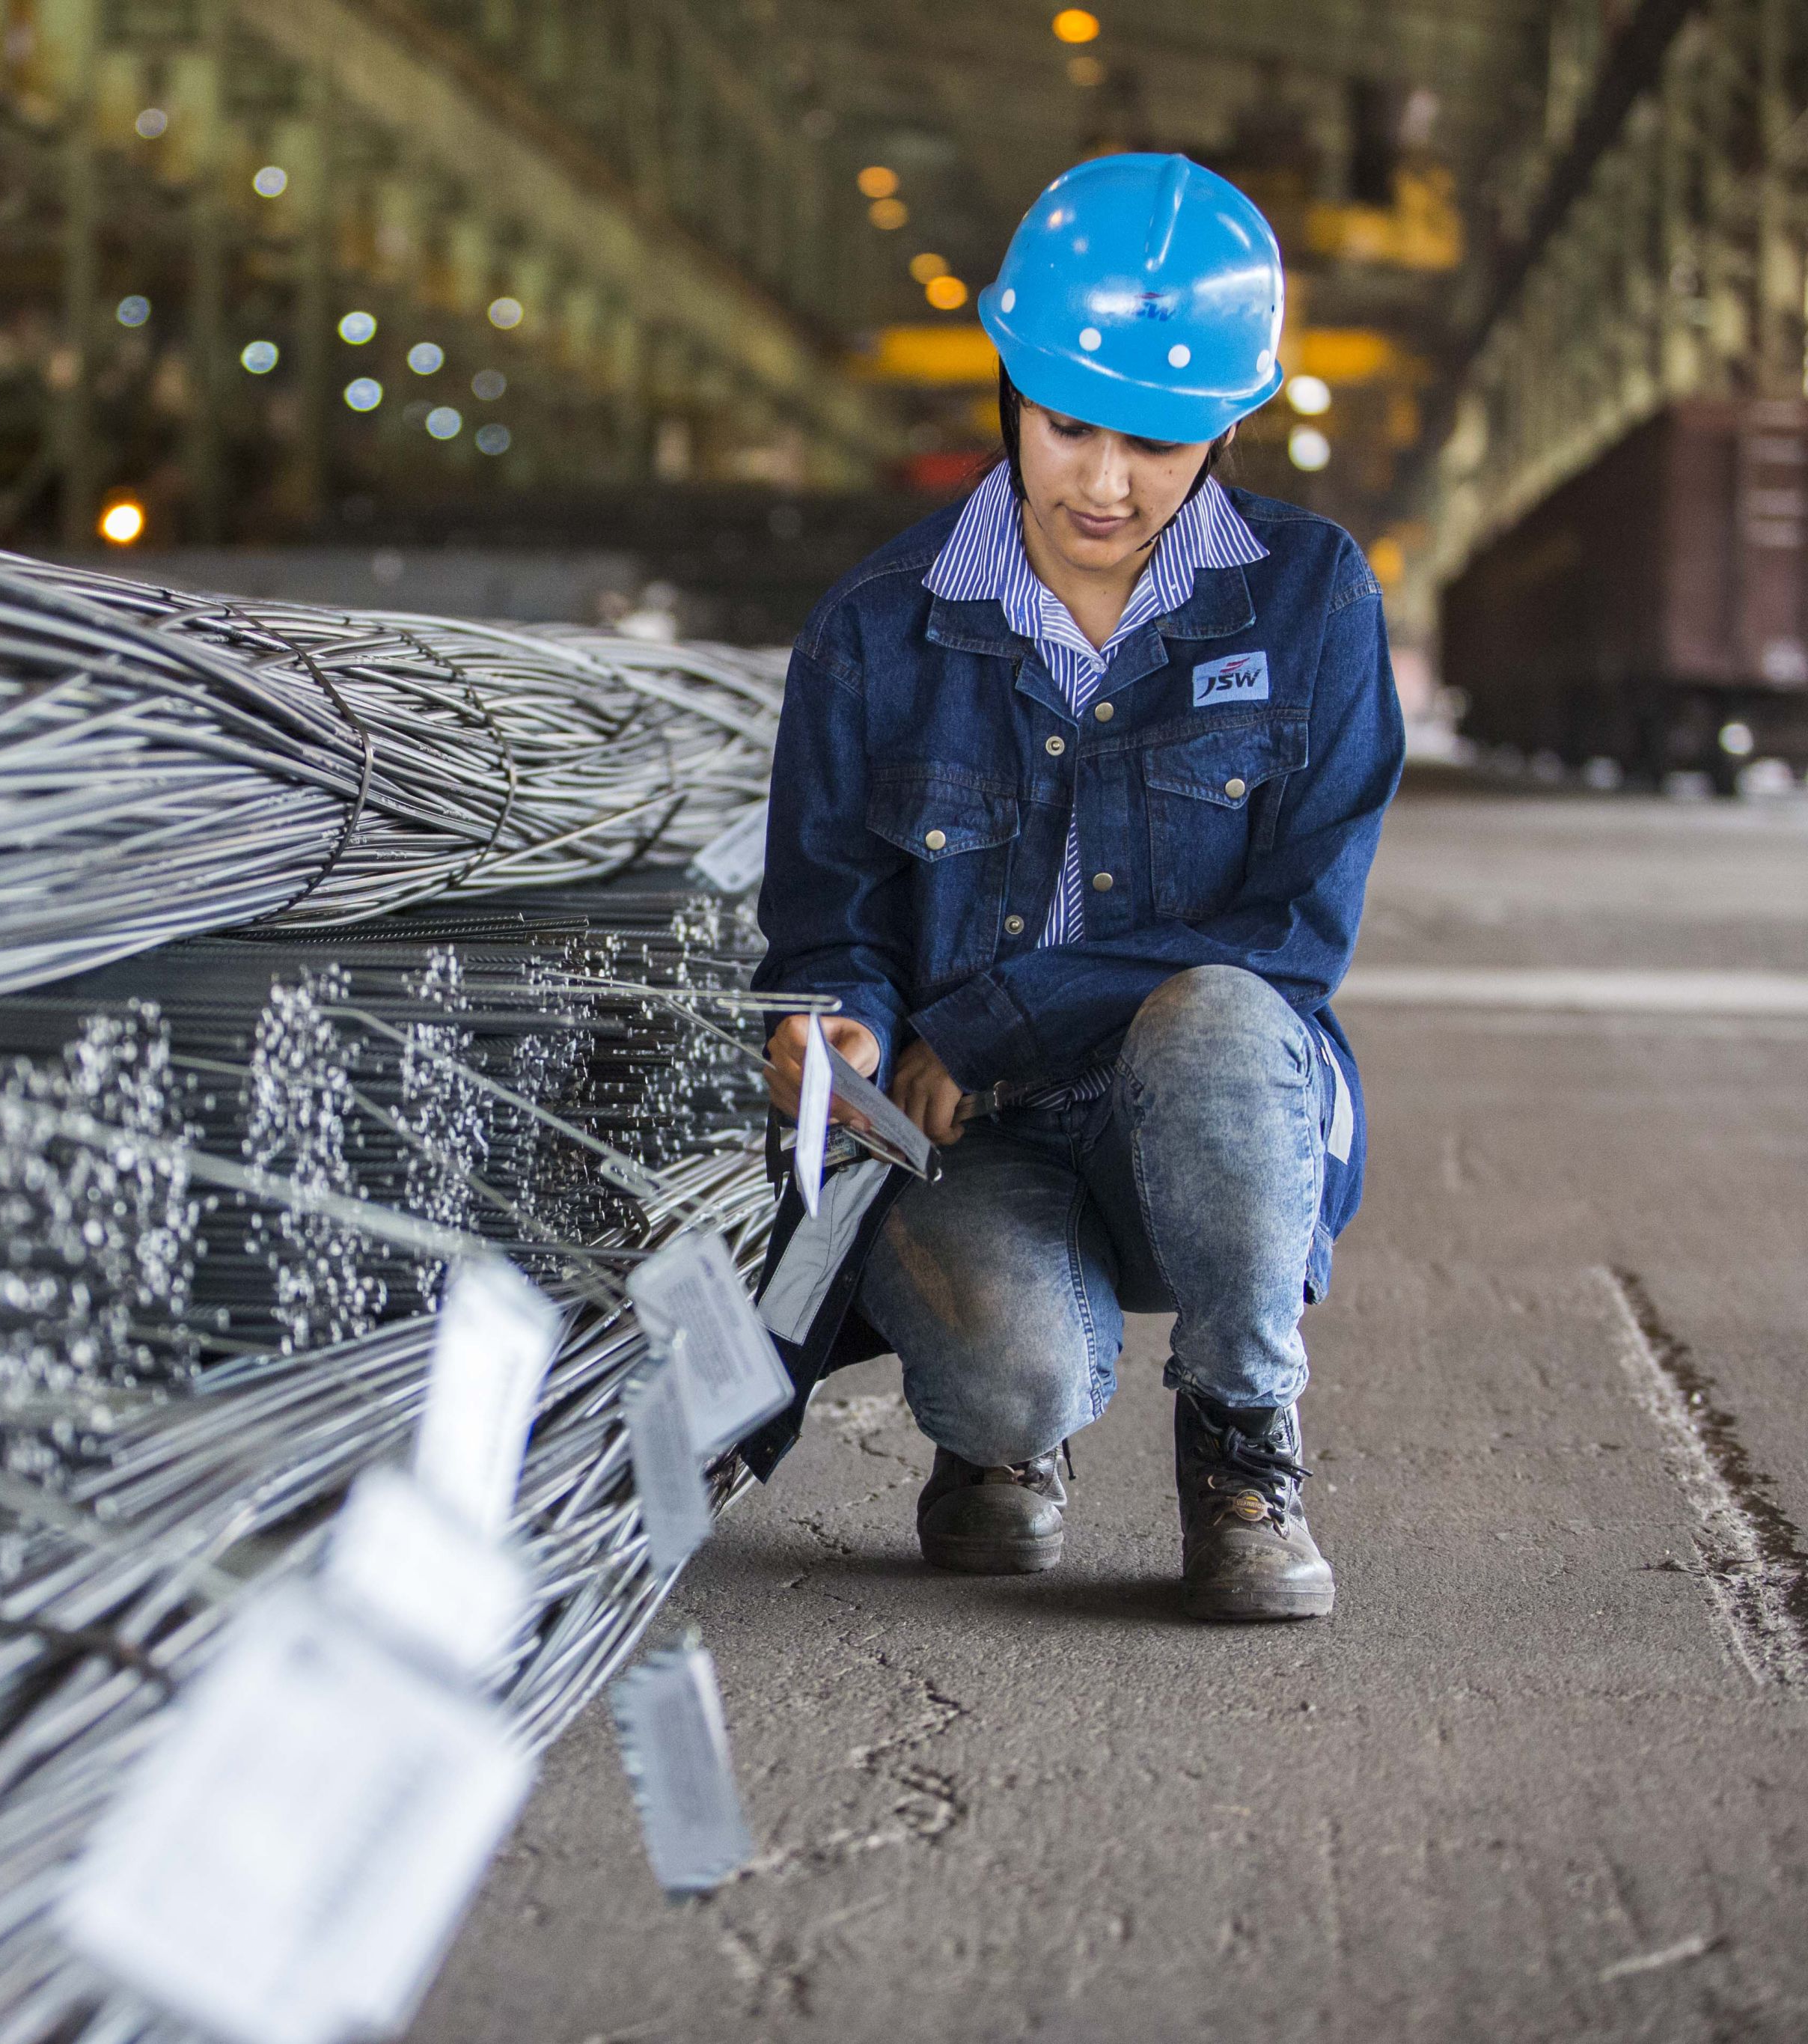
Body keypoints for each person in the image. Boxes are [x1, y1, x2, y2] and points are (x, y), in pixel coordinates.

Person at [752, 154, 1403, 1623]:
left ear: (1225, 425)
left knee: (1227, 1013)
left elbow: (1289, 937)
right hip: (964, 1138)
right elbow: (827, 916)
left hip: (1204, 1112)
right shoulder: (873, 630)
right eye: (1066, 427)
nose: (1102, 485)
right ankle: (1003, 1436)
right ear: (1007, 382)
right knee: (1010, 1370)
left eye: (1157, 444)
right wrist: (841, 1028)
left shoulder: (1308, 602)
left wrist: (987, 1025)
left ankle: (1241, 1446)